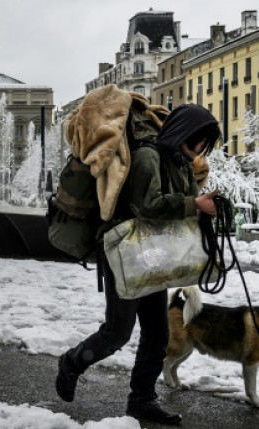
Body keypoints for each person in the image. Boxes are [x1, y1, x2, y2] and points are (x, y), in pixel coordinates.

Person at [54, 104, 222, 426]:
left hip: (152, 256)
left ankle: (142, 400)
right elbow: (146, 205)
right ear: (182, 131)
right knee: (118, 332)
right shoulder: (148, 155)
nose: (199, 148)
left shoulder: (179, 162)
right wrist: (192, 203)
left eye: (205, 144)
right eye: (197, 139)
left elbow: (183, 206)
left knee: (157, 335)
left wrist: (202, 203)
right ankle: (71, 363)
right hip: (125, 255)